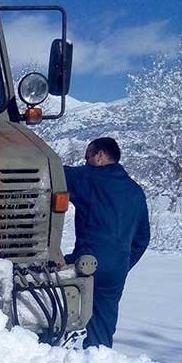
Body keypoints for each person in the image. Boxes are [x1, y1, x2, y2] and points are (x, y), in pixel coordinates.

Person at [63, 137, 150, 349]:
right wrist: (122, 263)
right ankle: (98, 360)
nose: (85, 162)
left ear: (100, 156)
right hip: (117, 268)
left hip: (87, 263)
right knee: (103, 326)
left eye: (87, 157)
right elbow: (142, 238)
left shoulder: (89, 177)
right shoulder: (136, 191)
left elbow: (53, 170)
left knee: (54, 308)